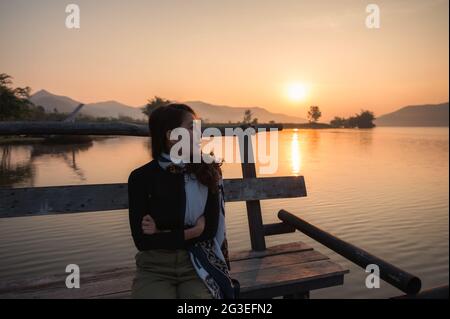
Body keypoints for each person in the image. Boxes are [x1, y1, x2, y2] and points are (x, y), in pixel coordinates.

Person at [127, 103, 238, 299]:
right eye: (191, 127)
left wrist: (162, 233)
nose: (199, 133)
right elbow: (142, 241)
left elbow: (210, 230)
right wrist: (193, 231)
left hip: (196, 262)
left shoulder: (207, 171)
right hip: (155, 267)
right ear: (172, 136)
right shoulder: (141, 177)